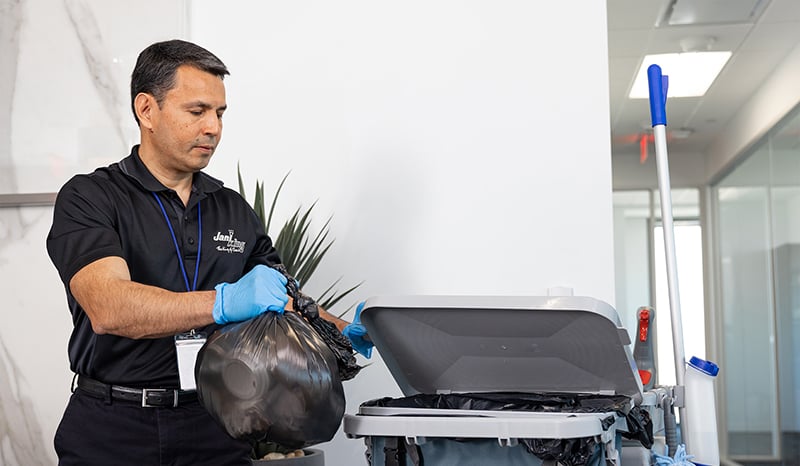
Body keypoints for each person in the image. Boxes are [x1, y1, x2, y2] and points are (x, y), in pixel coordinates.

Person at [46, 39, 372, 466]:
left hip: (216, 425)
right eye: (197, 111)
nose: (213, 128)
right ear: (146, 110)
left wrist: (343, 329)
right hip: (114, 427)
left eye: (219, 113)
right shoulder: (90, 197)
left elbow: (281, 296)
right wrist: (223, 302)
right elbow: (109, 308)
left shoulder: (232, 208)